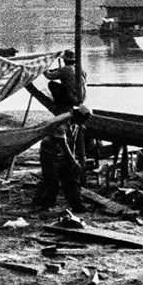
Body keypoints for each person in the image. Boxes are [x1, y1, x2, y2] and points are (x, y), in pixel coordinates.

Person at [31, 52, 86, 212]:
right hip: (50, 152)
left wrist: (44, 66)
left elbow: (48, 75)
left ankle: (76, 204)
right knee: (52, 182)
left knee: (69, 179)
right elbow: (63, 141)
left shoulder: (74, 124)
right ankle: (44, 205)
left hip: (60, 152)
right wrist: (72, 159)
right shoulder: (64, 120)